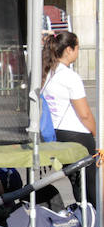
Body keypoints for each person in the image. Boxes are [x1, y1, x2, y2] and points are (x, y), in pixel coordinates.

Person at [41, 30, 97, 207]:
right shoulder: (71, 77)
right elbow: (84, 114)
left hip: (57, 134)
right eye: (77, 48)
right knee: (89, 185)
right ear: (69, 50)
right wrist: (96, 134)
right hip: (78, 136)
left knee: (74, 181)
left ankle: (82, 216)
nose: (78, 52)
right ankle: (93, 221)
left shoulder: (46, 73)